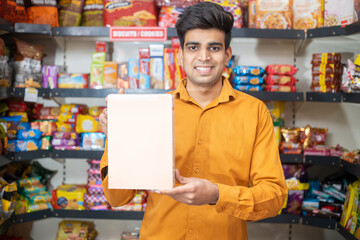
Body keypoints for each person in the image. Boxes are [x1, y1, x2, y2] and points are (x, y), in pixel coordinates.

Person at [99, 2, 288, 239]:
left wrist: (217, 195)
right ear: (180, 55)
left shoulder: (254, 112)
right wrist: (118, 140)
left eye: (214, 47)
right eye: (193, 47)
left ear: (227, 55)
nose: (204, 57)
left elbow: (274, 197)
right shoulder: (150, 112)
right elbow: (117, 198)